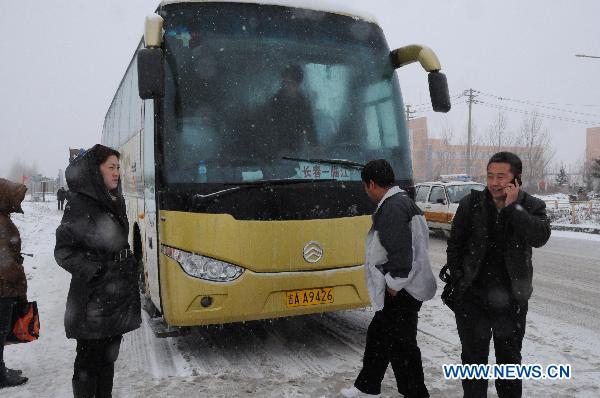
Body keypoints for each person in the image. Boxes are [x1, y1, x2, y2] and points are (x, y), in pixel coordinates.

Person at [446, 152, 551, 398]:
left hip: (512, 301)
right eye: (490, 176)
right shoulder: (471, 204)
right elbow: (455, 244)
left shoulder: (531, 206)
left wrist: (514, 207)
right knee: (473, 362)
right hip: (473, 299)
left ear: (516, 179)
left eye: (501, 177)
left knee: (510, 364)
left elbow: (540, 237)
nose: (494, 182)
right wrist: (459, 277)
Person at [341, 159, 436, 398]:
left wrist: (394, 285)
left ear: (372, 184)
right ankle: (367, 387)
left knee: (403, 349)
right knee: (378, 337)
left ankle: (415, 394)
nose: (366, 191)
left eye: (365, 186)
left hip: (402, 290)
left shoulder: (393, 209)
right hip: (403, 288)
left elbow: (401, 255)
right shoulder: (401, 203)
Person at [55, 144, 141, 398]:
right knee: (87, 365)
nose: (117, 173)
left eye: (118, 167)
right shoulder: (80, 203)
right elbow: (64, 251)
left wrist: (130, 263)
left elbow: (117, 243)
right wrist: (97, 271)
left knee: (108, 360)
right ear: (96, 170)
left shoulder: (115, 199)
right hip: (92, 300)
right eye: (111, 167)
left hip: (116, 297)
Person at [0, 178, 29, 388]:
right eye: (16, 196)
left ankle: (1, 369)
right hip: (3, 289)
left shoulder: (2, 217)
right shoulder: (0, 222)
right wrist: (17, 275)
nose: (19, 201)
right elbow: (4, 261)